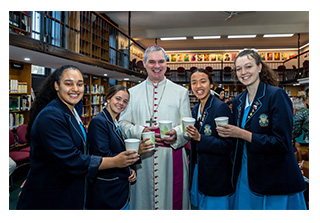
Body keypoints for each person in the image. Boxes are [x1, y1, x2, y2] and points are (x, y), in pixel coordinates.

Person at [17, 65, 140, 210]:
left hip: (67, 188)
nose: (75, 88)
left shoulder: (72, 112)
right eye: (68, 83)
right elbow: (72, 159)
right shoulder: (51, 116)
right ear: (57, 86)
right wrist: (115, 161)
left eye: (80, 84)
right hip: (51, 195)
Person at [216, 49, 307, 210]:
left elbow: (282, 143)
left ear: (259, 67)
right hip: (245, 173)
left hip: (273, 176)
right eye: (239, 69)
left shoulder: (276, 95)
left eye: (248, 67)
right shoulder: (238, 101)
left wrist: (242, 134)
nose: (243, 72)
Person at [119, 45, 192, 210]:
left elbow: (187, 126)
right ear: (144, 64)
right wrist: (141, 131)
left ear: (166, 63)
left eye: (160, 61)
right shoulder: (132, 93)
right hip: (143, 159)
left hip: (171, 157)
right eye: (151, 62)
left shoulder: (181, 92)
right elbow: (122, 124)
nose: (156, 66)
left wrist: (176, 134)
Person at [86, 85, 153, 210]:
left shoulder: (114, 122)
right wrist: (135, 154)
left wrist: (131, 168)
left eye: (125, 101)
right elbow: (104, 157)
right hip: (107, 190)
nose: (121, 103)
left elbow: (119, 152)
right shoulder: (99, 122)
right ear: (108, 98)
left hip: (118, 188)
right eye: (118, 99)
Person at [186, 69, 234, 210]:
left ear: (211, 85)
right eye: (194, 83)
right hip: (198, 169)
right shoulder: (195, 109)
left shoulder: (221, 108)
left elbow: (228, 145)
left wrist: (200, 138)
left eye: (203, 81)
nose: (198, 86)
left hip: (216, 173)